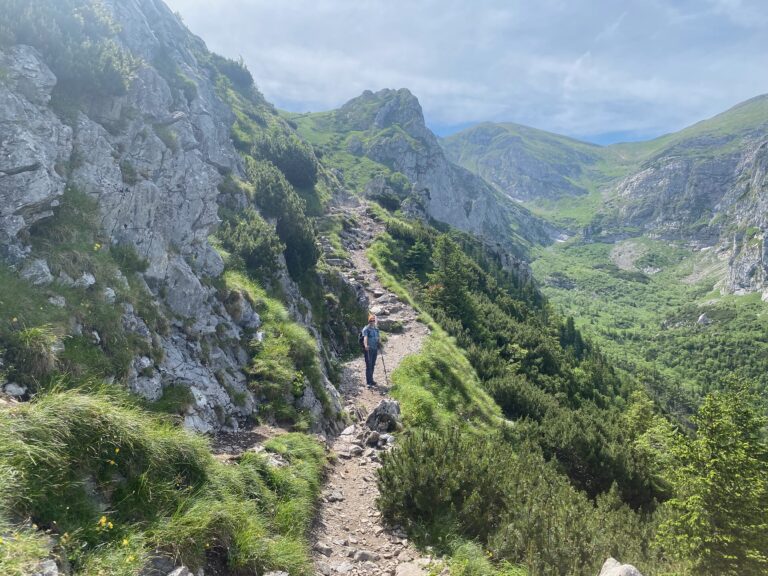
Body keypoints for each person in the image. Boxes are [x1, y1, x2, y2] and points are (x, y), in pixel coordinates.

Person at [362, 313, 380, 388]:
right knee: (368, 365)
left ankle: (371, 380)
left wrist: (379, 342)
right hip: (368, 350)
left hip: (375, 349)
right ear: (369, 321)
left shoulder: (376, 329)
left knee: (372, 365)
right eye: (371, 320)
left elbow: (378, 337)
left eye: (373, 320)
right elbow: (365, 338)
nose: (372, 321)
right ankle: (368, 382)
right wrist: (366, 346)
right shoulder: (366, 329)